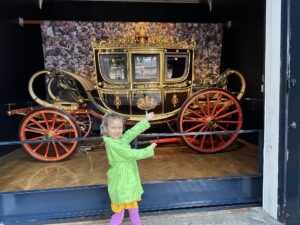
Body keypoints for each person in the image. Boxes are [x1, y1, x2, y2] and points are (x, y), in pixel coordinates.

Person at [101, 112, 157, 225]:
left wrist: (145, 120)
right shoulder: (112, 144)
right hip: (121, 183)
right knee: (119, 214)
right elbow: (130, 154)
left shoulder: (119, 139)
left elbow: (131, 133)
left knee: (134, 210)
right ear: (106, 129)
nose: (117, 131)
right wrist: (149, 149)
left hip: (128, 182)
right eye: (113, 128)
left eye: (120, 127)